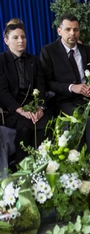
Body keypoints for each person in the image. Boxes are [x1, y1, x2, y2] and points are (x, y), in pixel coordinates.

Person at [40, 14, 90, 153]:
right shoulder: (49, 51)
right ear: (59, 31)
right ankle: (80, 158)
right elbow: (47, 83)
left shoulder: (87, 50)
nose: (72, 33)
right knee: (77, 117)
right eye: (68, 29)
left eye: (76, 29)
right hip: (64, 101)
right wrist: (72, 87)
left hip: (89, 99)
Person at [0, 19, 53, 164]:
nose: (20, 41)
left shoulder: (34, 60)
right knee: (25, 127)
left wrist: (40, 108)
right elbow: (3, 92)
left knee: (46, 124)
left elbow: (41, 87)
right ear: (6, 41)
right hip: (13, 110)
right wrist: (21, 110)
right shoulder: (1, 61)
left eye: (23, 37)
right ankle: (22, 167)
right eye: (15, 37)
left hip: (34, 107)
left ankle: (43, 166)